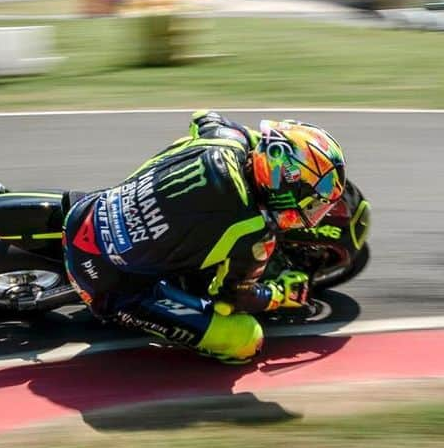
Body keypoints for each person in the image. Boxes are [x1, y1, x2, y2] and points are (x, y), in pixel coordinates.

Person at [62, 110, 347, 363]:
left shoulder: (226, 138)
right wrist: (279, 294)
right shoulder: (253, 231)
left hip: (88, 211)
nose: (313, 210)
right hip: (109, 282)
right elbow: (231, 300)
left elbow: (203, 116)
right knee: (247, 340)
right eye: (312, 201)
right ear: (285, 184)